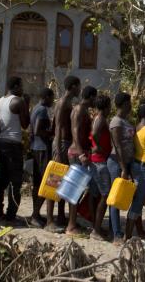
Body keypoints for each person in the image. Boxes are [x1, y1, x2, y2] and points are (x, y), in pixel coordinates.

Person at [0, 76, 29, 224]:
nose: (22, 90)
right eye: (21, 87)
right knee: (15, 182)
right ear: (15, 87)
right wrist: (26, 105)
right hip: (13, 144)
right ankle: (11, 216)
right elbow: (25, 124)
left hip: (1, 142)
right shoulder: (18, 101)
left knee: (1, 180)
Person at [66, 85, 97, 236]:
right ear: (91, 97)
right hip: (77, 153)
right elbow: (75, 132)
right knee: (75, 190)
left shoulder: (83, 110)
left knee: (78, 190)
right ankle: (71, 226)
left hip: (80, 152)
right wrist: (81, 154)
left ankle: (73, 222)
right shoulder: (79, 110)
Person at [108, 92, 136, 244]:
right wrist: (123, 167)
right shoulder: (116, 122)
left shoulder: (125, 121)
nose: (131, 105)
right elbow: (117, 146)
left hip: (127, 162)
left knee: (122, 196)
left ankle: (117, 230)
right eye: (129, 102)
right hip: (117, 163)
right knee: (116, 198)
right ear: (124, 104)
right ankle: (116, 234)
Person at [53, 75, 81, 227]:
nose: (80, 89)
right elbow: (57, 127)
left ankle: (60, 216)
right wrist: (57, 151)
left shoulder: (68, 102)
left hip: (65, 143)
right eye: (79, 85)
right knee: (56, 180)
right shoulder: (63, 102)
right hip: (62, 144)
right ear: (73, 86)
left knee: (64, 181)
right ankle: (51, 219)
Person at [128, 100, 145, 239]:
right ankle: (128, 235)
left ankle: (140, 231)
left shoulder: (136, 128)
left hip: (135, 165)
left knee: (136, 199)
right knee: (138, 202)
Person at [88, 94, 113, 240]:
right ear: (106, 107)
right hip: (100, 161)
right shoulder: (101, 119)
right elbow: (95, 134)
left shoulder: (98, 118)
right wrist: (100, 148)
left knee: (95, 194)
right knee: (105, 195)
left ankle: (95, 226)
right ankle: (96, 229)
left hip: (96, 160)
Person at [29, 87, 55, 227]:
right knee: (44, 182)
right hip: (42, 149)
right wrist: (51, 134)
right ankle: (35, 215)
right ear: (46, 97)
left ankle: (36, 214)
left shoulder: (35, 108)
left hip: (36, 148)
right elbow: (38, 130)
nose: (52, 101)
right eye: (52, 98)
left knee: (38, 183)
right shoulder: (42, 110)